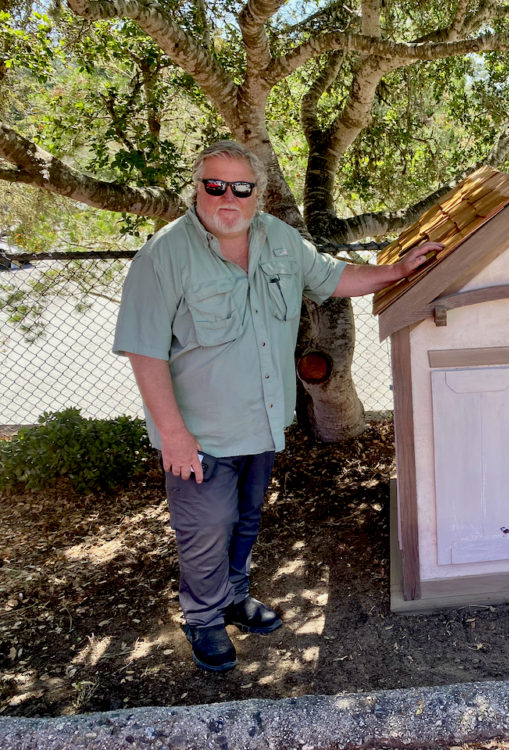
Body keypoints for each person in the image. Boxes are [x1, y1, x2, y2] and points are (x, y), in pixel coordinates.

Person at [113, 140, 441, 671]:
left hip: (263, 425)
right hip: (201, 433)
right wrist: (173, 435)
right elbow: (144, 351)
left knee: (245, 520)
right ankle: (203, 618)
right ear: (196, 189)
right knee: (206, 529)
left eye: (241, 187)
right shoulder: (164, 255)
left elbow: (333, 278)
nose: (227, 197)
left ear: (258, 195)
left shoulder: (279, 239)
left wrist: (397, 272)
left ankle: (234, 597)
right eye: (213, 185)